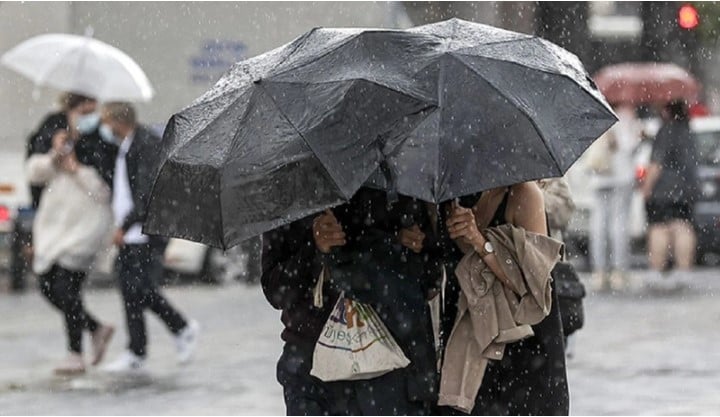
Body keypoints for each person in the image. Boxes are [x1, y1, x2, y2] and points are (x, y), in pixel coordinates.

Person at [262, 187, 438, 415]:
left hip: (389, 362)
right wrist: (314, 249)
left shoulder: (395, 181)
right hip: (311, 367)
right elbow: (276, 291)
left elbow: (428, 274)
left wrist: (396, 243)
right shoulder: (287, 195)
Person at [434, 182, 569, 415]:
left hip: (523, 342)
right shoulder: (452, 197)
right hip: (471, 336)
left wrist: (479, 241)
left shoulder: (525, 194)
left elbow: (532, 283)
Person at [100, 102, 199, 372]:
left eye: (106, 121)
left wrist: (125, 224)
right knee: (129, 289)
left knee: (141, 289)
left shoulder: (145, 144)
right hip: (132, 233)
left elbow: (146, 193)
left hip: (144, 232)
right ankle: (137, 351)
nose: (104, 127)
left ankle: (182, 327)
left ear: (117, 121)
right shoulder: (127, 144)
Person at [27, 129, 115, 375]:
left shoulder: (93, 159)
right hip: (54, 237)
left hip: (82, 237)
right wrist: (55, 154)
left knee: (67, 290)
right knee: (48, 287)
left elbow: (103, 193)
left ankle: (75, 353)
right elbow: (34, 173)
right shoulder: (55, 159)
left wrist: (75, 169)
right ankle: (96, 328)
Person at [640, 100, 700, 291]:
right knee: (683, 227)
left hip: (663, 190)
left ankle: (657, 271)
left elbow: (657, 164)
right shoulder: (688, 130)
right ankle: (684, 272)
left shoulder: (665, 131)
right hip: (686, 189)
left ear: (667, 110)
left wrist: (646, 188)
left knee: (659, 229)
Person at [586, 104, 642, 292]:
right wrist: (639, 135)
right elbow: (629, 147)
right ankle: (618, 271)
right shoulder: (625, 116)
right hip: (621, 176)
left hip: (599, 176)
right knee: (618, 224)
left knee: (598, 223)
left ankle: (599, 271)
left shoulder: (596, 111)